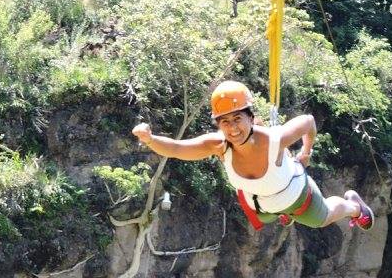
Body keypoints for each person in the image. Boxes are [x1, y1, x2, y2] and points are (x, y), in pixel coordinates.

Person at [132, 81, 374, 230]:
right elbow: (176, 149)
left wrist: (306, 152)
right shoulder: (219, 145)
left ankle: (355, 207)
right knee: (267, 216)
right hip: (261, 204)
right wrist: (150, 139)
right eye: (225, 122)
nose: (233, 128)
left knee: (323, 219)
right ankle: (282, 214)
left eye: (238, 119)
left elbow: (308, 122)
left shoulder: (274, 139)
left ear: (250, 116)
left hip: (295, 195)